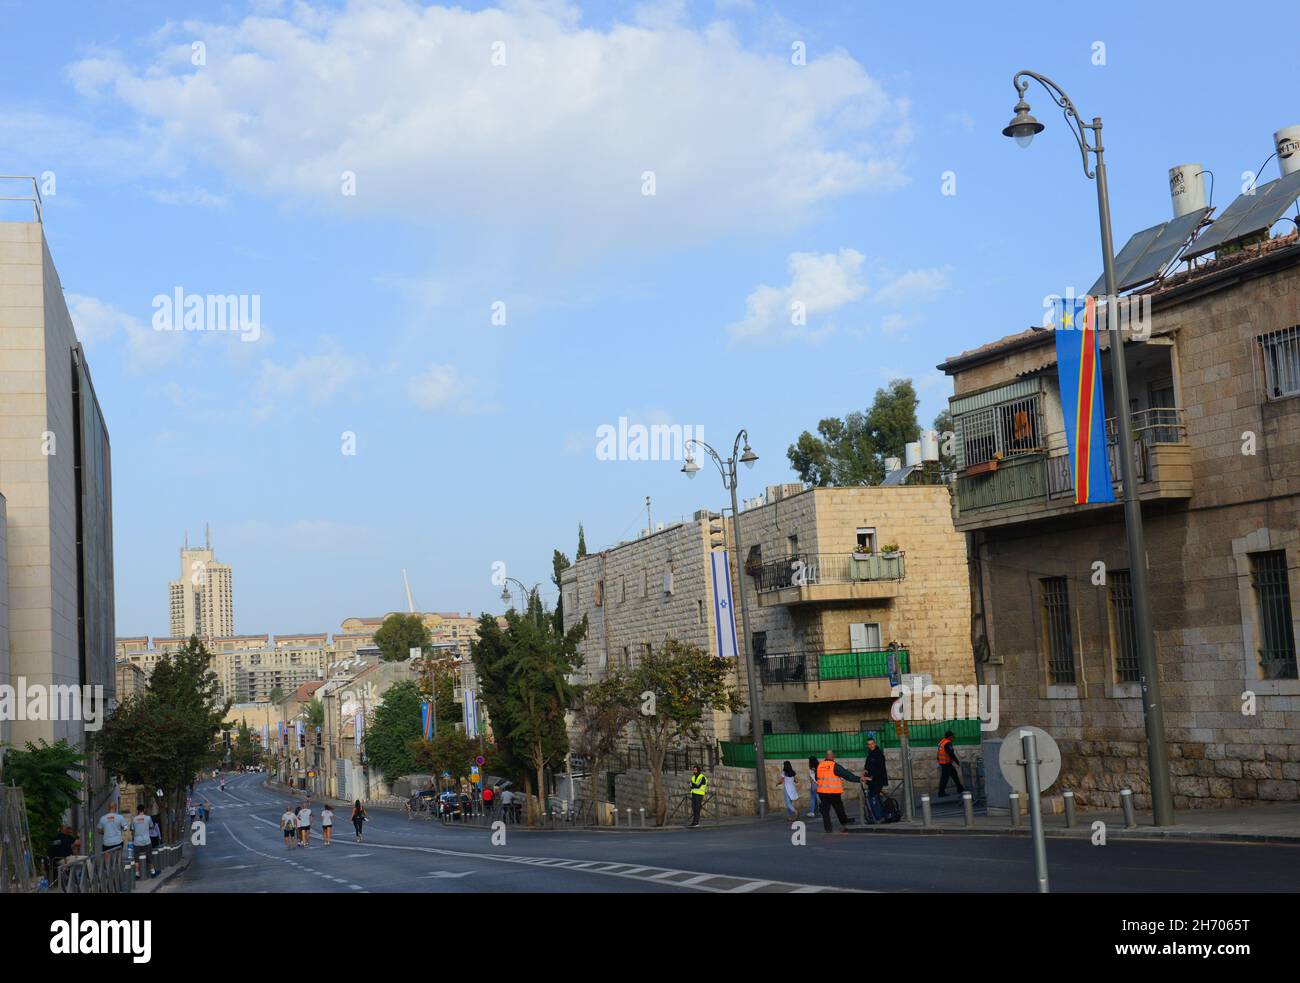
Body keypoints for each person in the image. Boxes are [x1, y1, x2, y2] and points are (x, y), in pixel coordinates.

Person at [815, 750, 862, 832]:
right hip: (833, 792)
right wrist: (859, 779)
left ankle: (828, 829)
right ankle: (844, 821)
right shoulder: (834, 765)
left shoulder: (819, 765)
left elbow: (817, 778)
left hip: (822, 792)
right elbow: (846, 774)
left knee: (825, 811)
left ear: (825, 756)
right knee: (839, 807)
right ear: (832, 756)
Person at [862, 737, 889, 822]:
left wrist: (871, 777)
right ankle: (881, 815)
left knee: (873, 797)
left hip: (878, 780)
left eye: (872, 744)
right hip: (871, 782)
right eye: (869, 744)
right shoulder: (870, 755)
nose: (871, 746)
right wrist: (864, 774)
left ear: (875, 744)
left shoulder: (879, 754)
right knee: (875, 797)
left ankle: (879, 816)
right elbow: (867, 767)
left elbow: (880, 769)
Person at [131, 805, 156, 879]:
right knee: (149, 857)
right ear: (144, 810)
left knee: (136, 858)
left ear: (137, 810)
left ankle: (137, 874)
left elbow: (132, 829)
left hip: (137, 842)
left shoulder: (134, 819)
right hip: (146, 841)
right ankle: (153, 872)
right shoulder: (148, 818)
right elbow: (152, 826)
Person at [937, 730, 965, 797]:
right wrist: (957, 762)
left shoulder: (942, 741)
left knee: (954, 774)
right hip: (946, 763)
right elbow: (951, 754)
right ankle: (941, 792)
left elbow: (938, 753)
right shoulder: (947, 743)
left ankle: (960, 788)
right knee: (945, 778)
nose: (953, 737)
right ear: (949, 737)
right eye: (952, 736)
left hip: (944, 762)